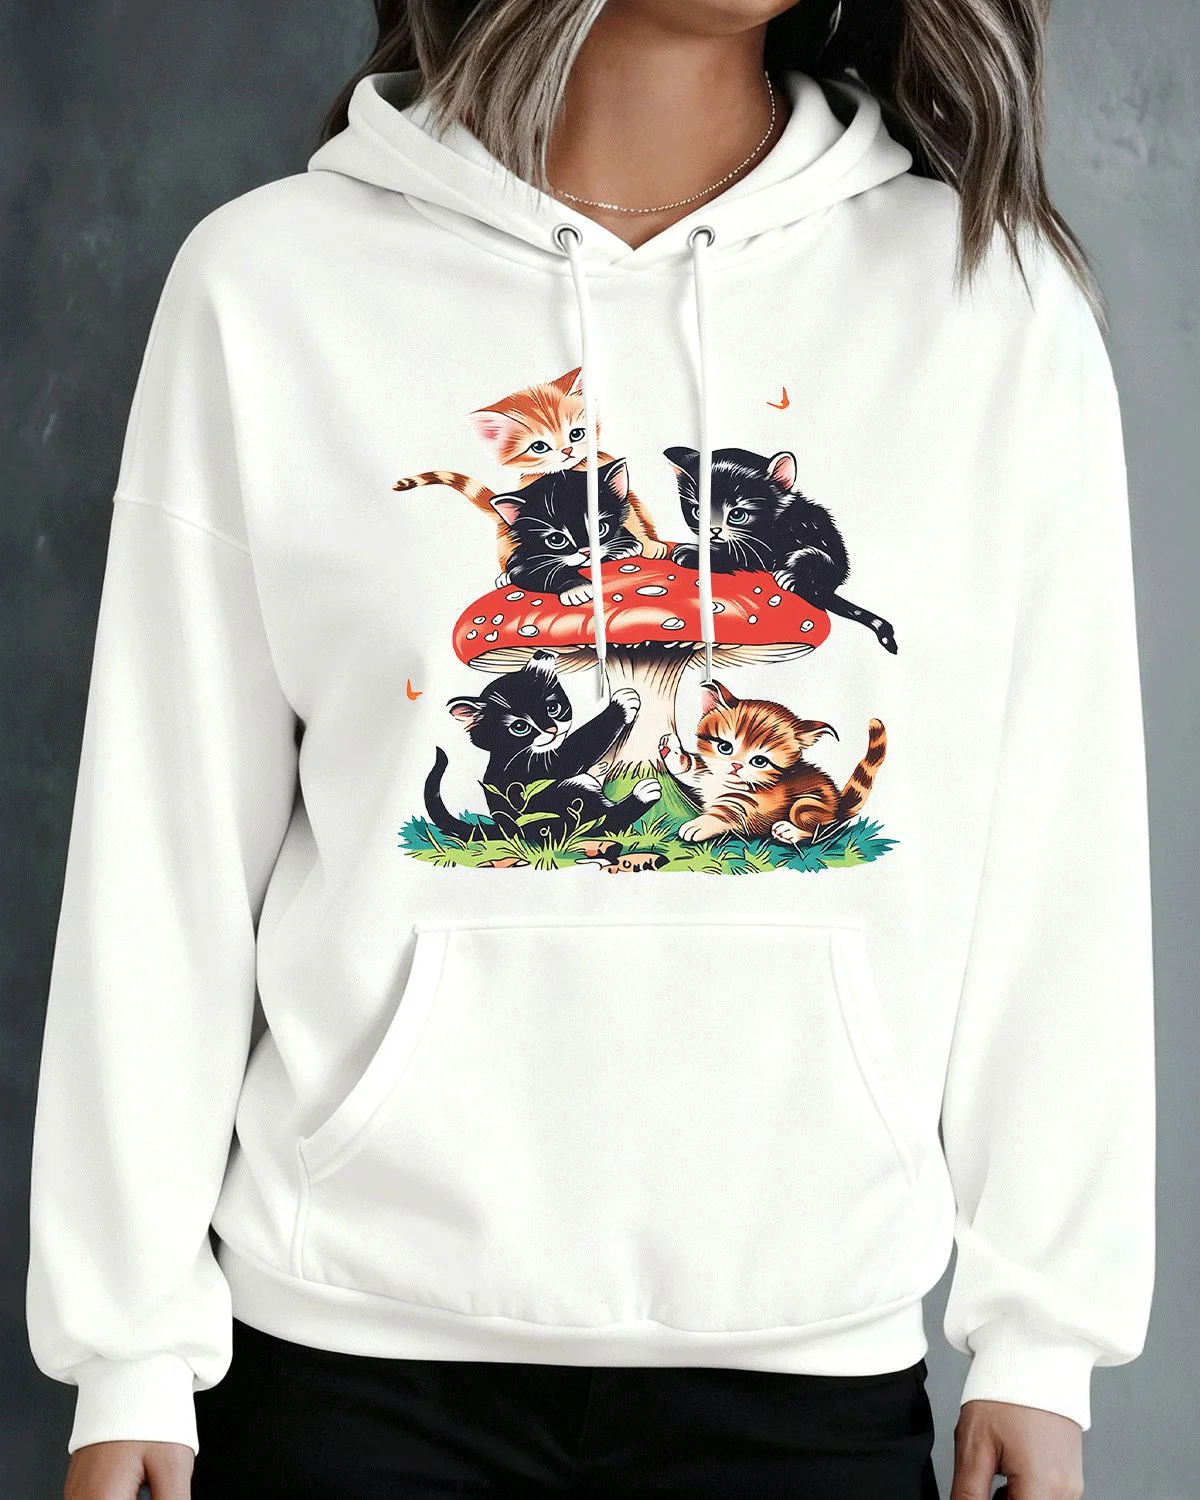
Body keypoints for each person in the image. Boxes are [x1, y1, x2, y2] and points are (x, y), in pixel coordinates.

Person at [27, 2, 1156, 1497]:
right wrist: (127, 1354)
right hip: (344, 1352)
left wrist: (1042, 1337)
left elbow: (1060, 851)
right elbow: (162, 846)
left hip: (805, 1365)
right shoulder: (273, 283)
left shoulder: (988, 304)